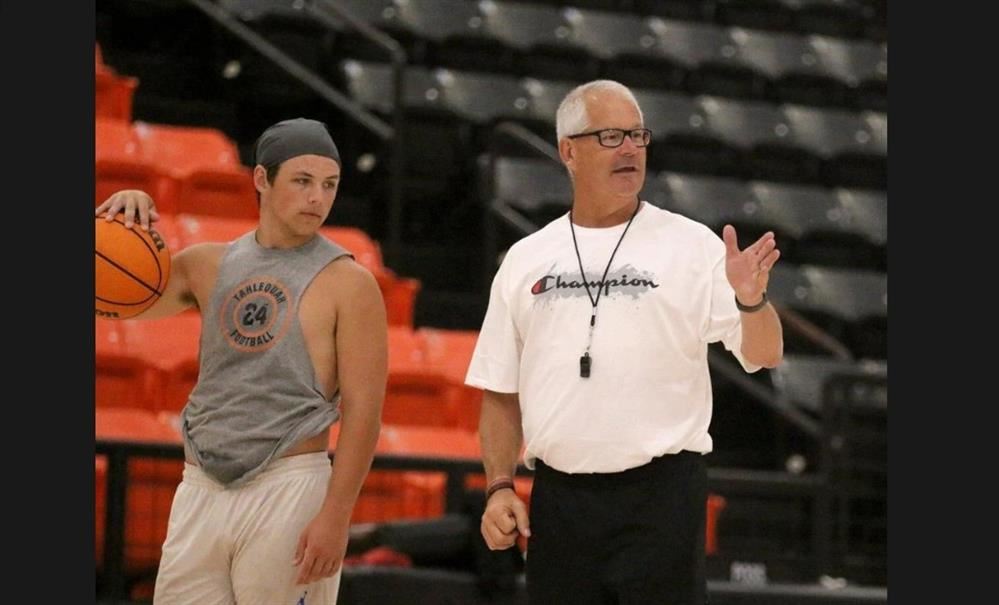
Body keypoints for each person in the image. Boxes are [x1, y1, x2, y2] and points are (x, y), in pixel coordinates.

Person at [465, 81, 784, 604]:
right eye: (611, 136)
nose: (631, 148)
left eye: (638, 135)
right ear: (569, 150)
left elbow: (765, 354)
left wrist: (751, 300)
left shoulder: (691, 245)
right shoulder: (526, 258)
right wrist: (500, 485)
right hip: (561, 502)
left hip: (661, 499)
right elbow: (499, 391)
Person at [95, 118, 388, 604]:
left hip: (289, 488)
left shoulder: (349, 283)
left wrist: (336, 516)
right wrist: (124, 215)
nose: (318, 197)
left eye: (329, 184)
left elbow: (365, 412)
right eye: (302, 181)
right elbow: (113, 297)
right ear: (261, 180)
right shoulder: (205, 265)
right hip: (201, 485)